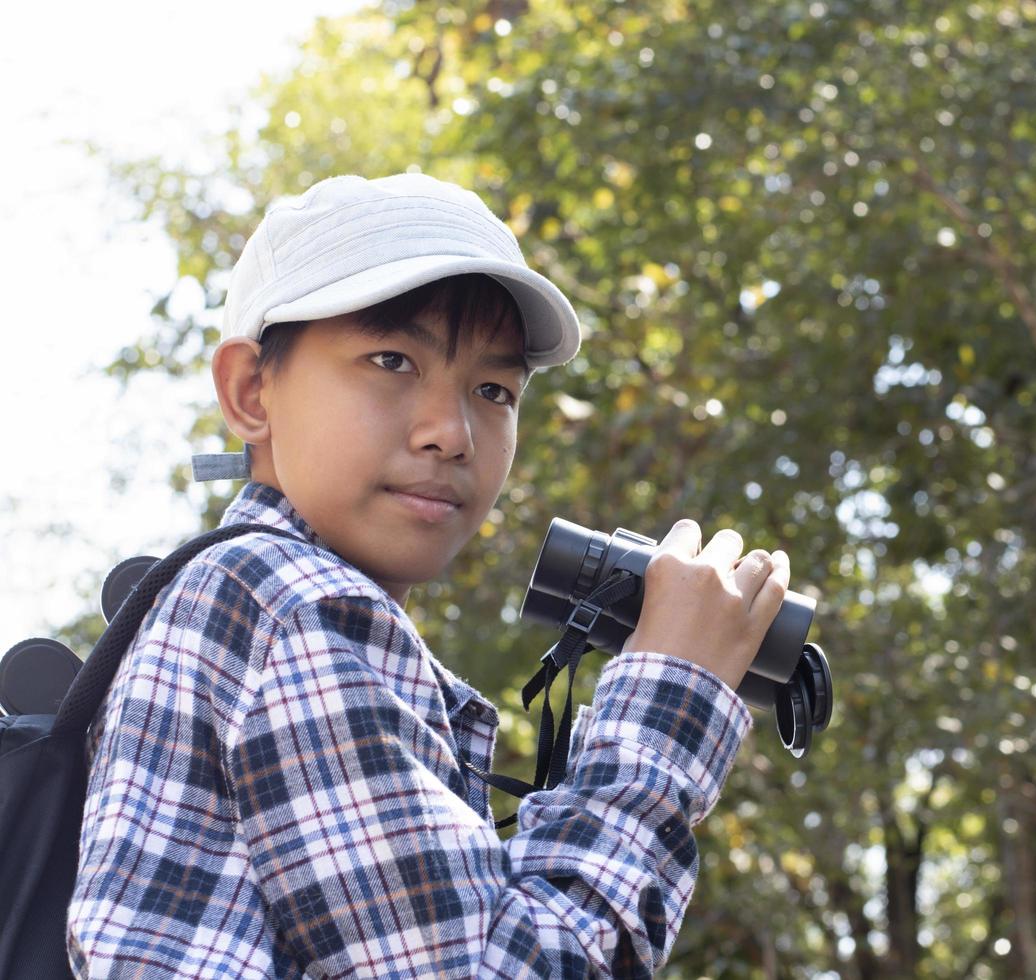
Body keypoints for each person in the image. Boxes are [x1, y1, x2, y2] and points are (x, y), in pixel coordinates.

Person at [68, 172, 789, 978]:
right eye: (391, 359)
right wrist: (672, 696)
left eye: (492, 389)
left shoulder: (241, 598)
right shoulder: (290, 603)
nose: (452, 433)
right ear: (250, 390)